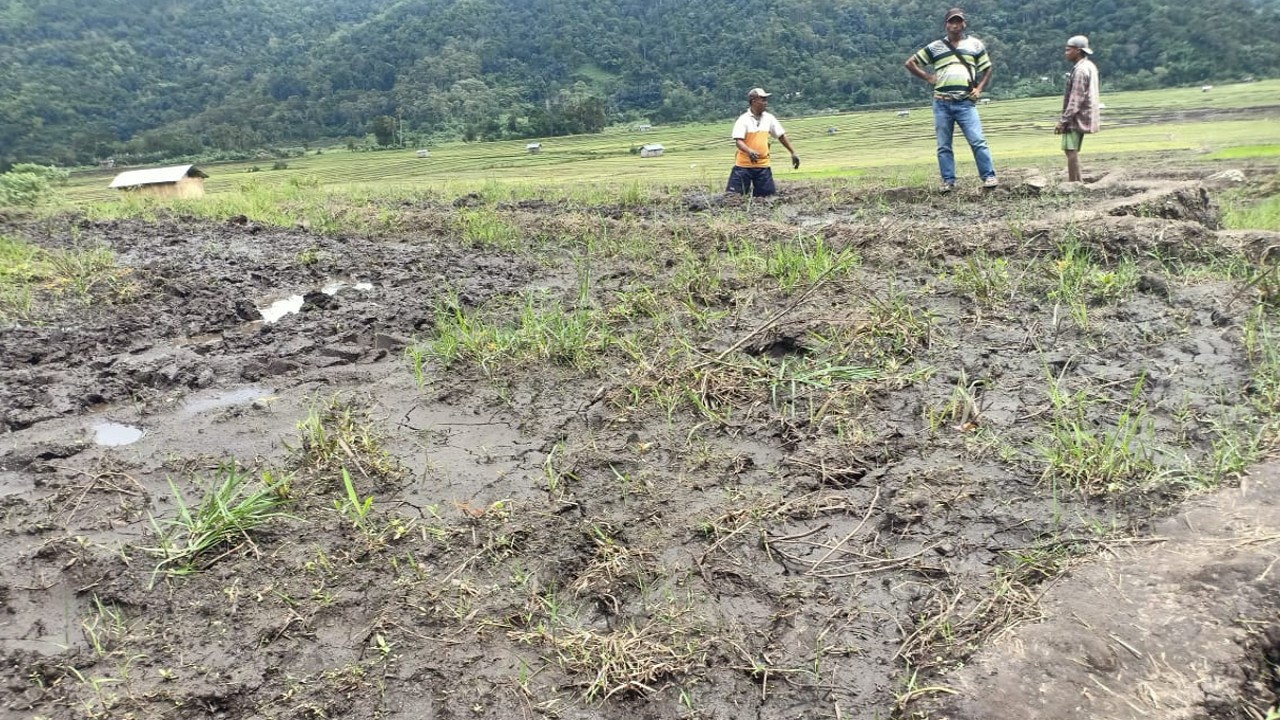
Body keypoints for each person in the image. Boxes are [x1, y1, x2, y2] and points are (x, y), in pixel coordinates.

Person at [905, 7, 998, 192]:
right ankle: (948, 181)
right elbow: (910, 63)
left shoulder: (975, 45)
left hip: (965, 102)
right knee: (944, 145)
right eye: (951, 21)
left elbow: (987, 68)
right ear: (946, 25)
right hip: (942, 102)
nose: (955, 25)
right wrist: (929, 77)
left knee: (977, 140)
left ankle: (989, 176)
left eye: (958, 21)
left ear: (964, 24)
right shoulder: (935, 47)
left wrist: (979, 89)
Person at [726, 87, 800, 197]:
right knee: (734, 198)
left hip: (762, 166)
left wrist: (792, 152)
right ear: (754, 101)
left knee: (767, 198)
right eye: (763, 100)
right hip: (743, 166)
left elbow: (781, 136)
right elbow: (738, 141)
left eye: (766, 100)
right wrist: (749, 151)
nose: (766, 103)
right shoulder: (743, 120)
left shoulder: (769, 118)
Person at [1056, 35, 1100, 182]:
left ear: (1078, 51)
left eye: (1069, 50)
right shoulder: (1089, 66)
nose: (1066, 53)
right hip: (1086, 114)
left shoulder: (1080, 70)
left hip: (1076, 117)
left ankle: (1073, 183)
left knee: (1070, 150)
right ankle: (1078, 181)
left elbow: (1076, 99)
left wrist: (1063, 120)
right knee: (1072, 150)